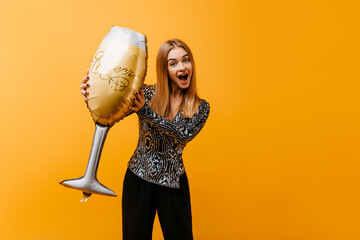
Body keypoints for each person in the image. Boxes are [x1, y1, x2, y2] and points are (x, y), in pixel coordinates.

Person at [80, 39, 210, 240]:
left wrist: (146, 112)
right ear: (164, 68)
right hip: (138, 180)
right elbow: (112, 111)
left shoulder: (201, 107)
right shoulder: (146, 94)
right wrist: (91, 92)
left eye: (186, 60)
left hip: (173, 184)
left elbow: (183, 134)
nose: (182, 67)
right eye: (173, 63)